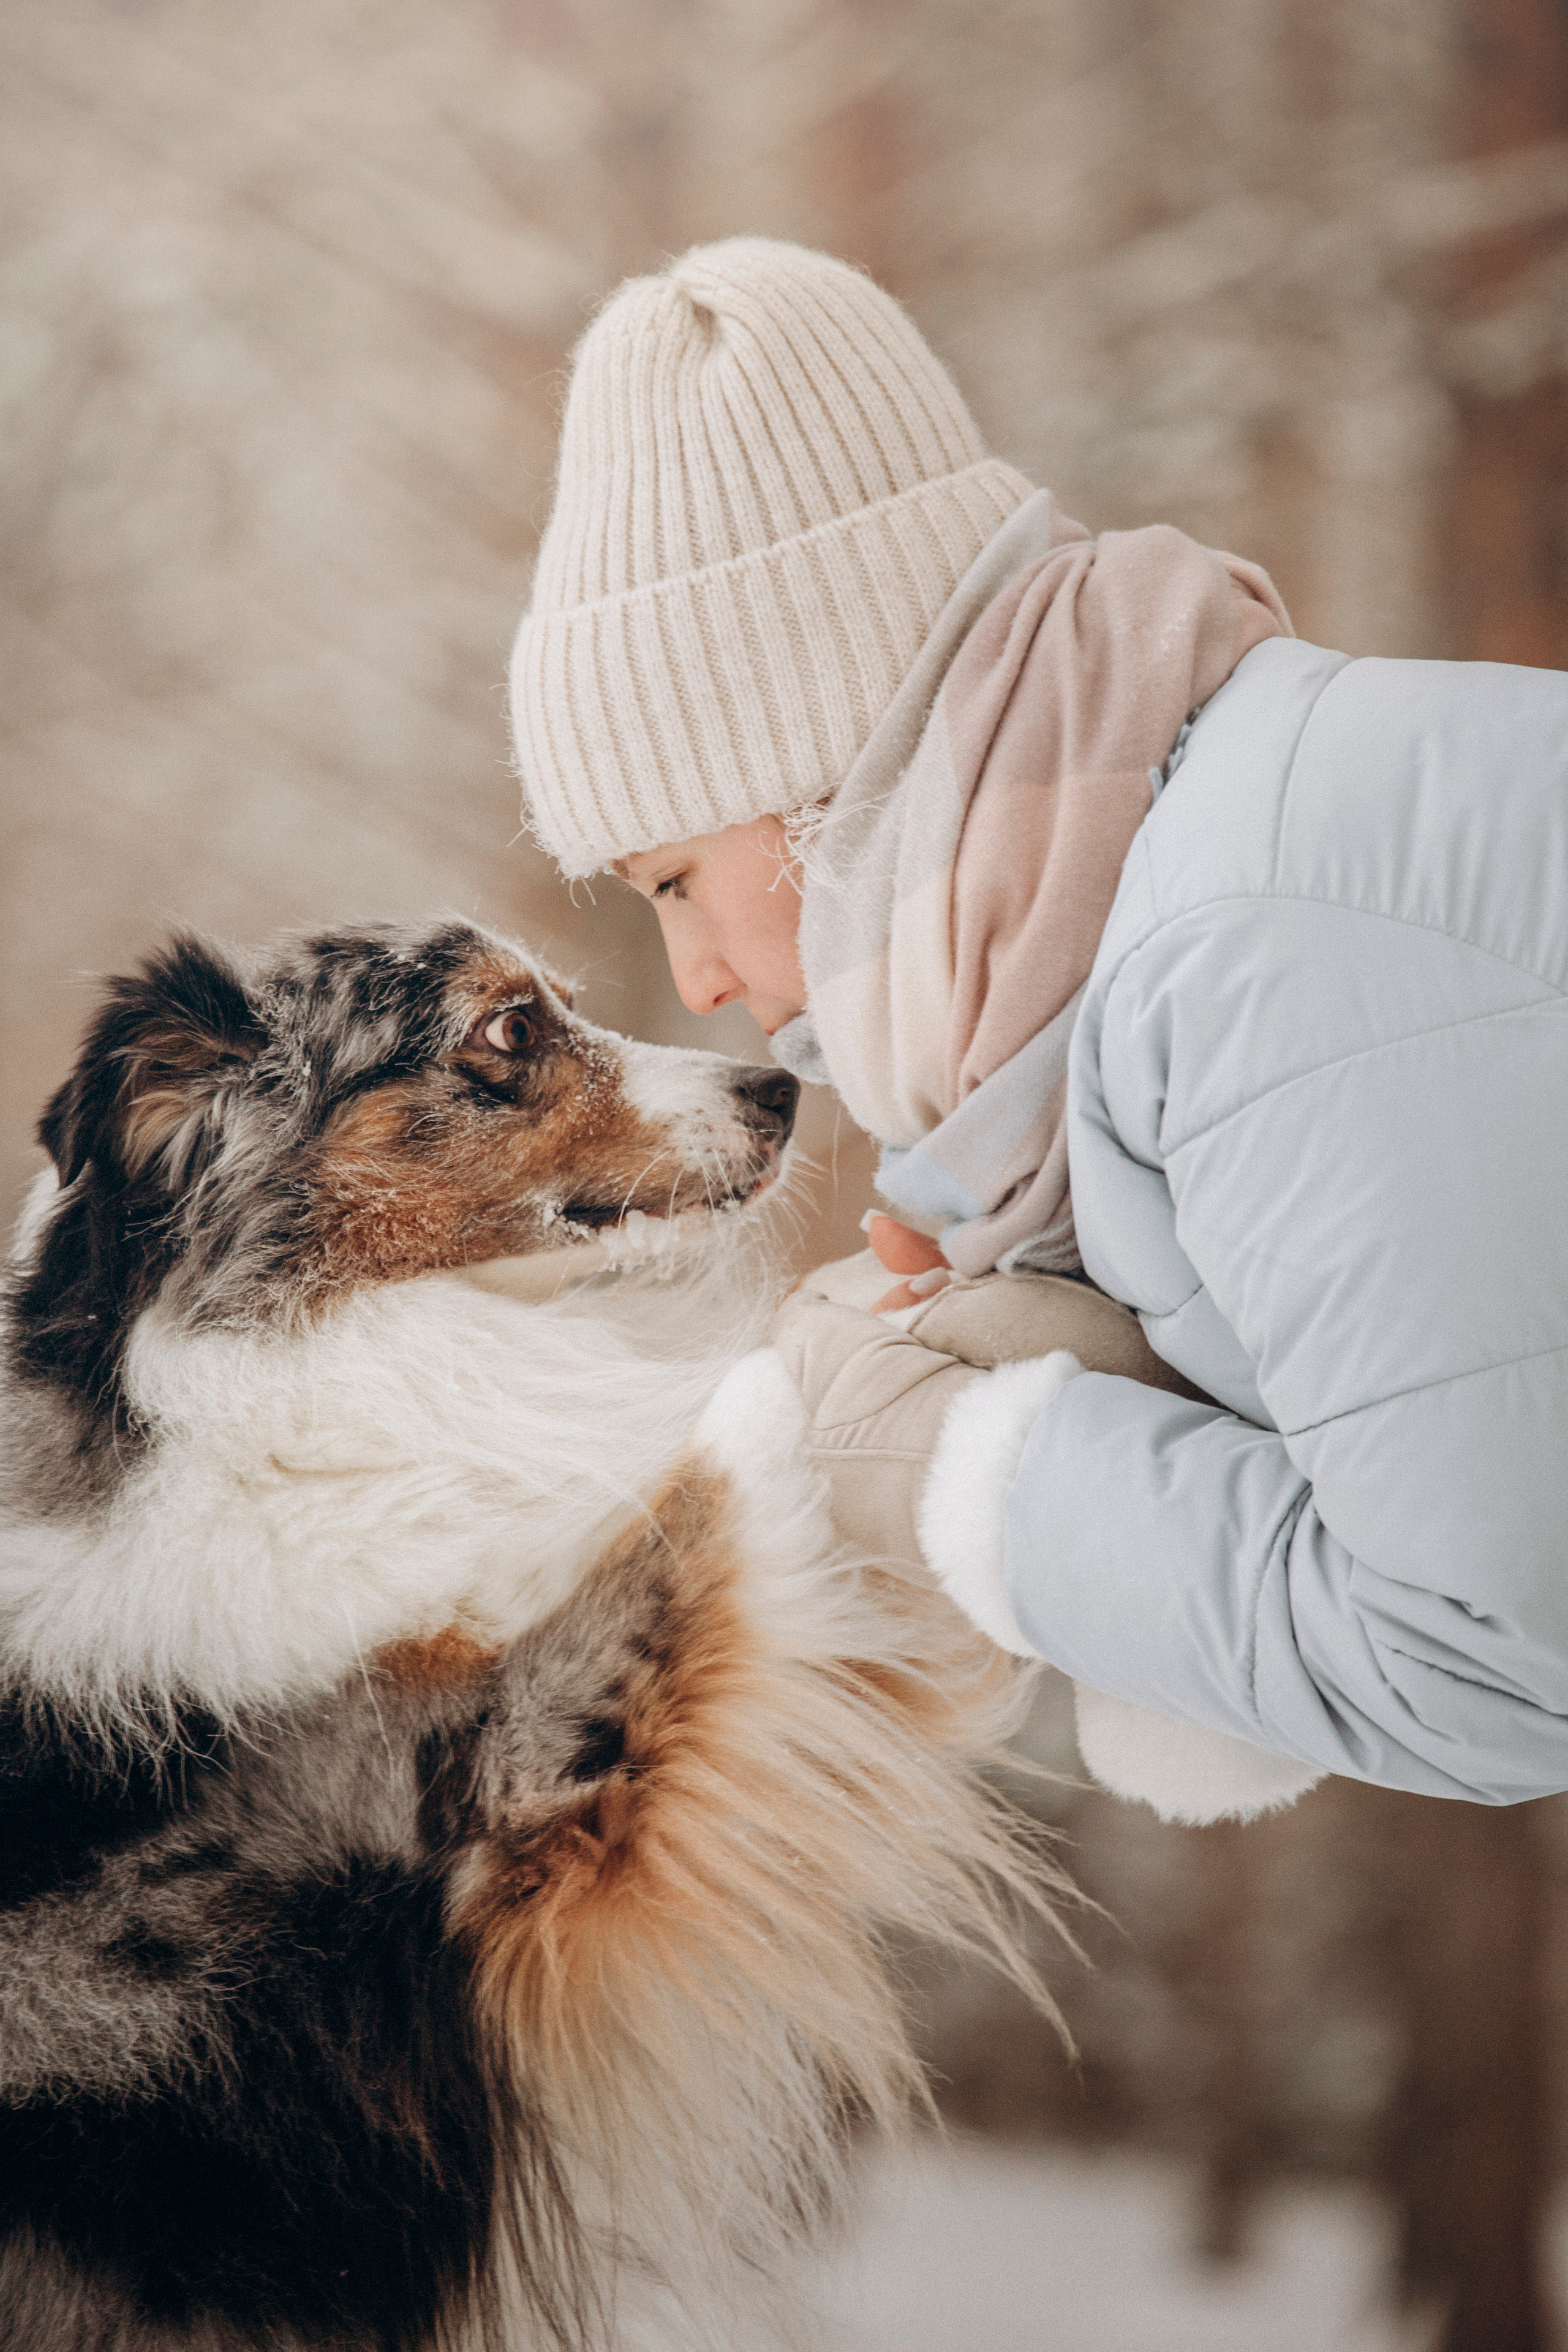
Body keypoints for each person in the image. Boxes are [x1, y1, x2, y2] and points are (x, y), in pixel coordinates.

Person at [508, 235, 1568, 1819]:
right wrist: (1122, 1361)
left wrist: (963, 1469)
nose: (705, 978)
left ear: (822, 773)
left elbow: (1497, 1662)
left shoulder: (1235, 950)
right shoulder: (1220, 868)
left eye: (675, 880)